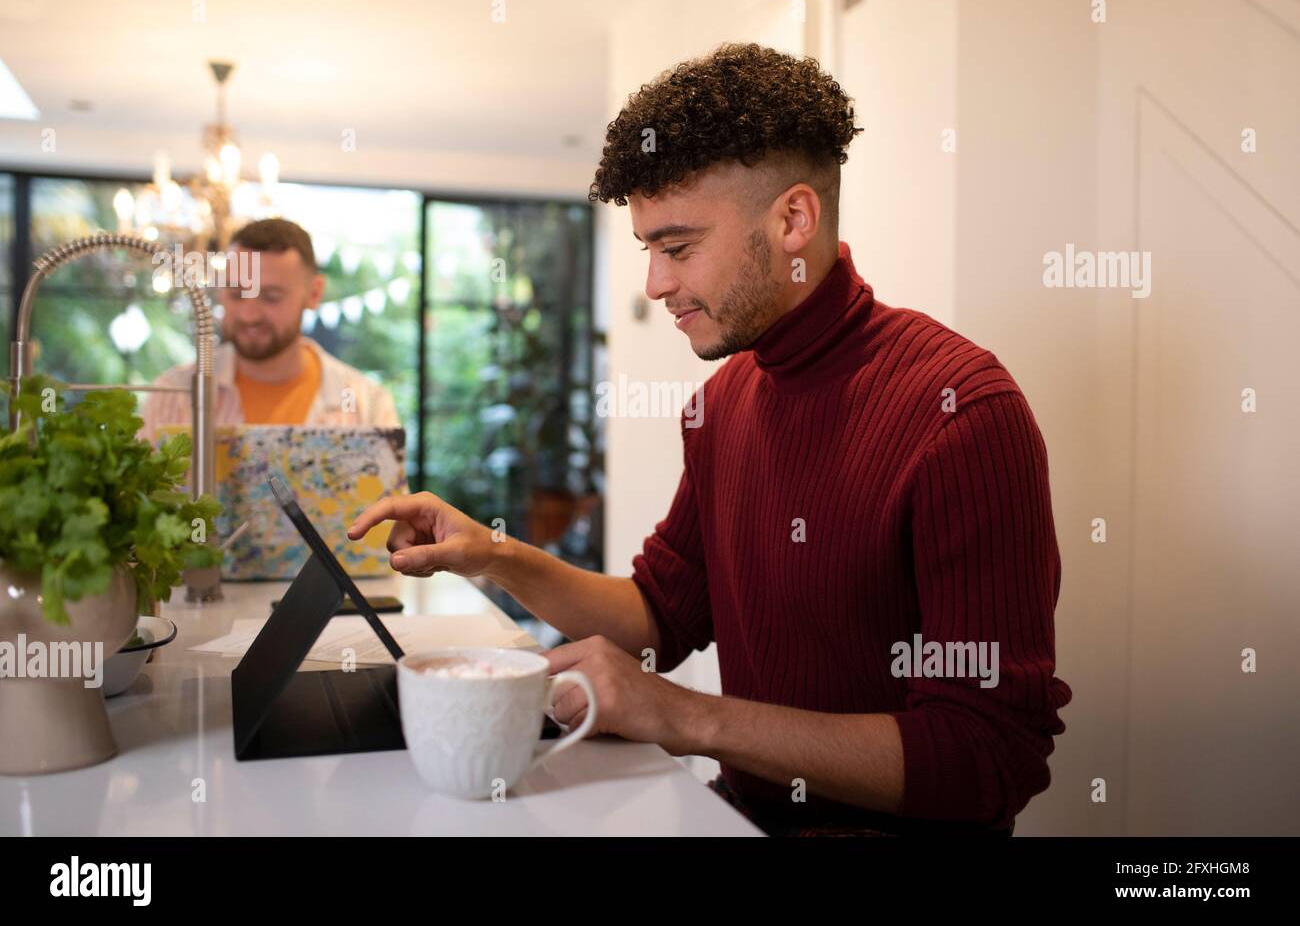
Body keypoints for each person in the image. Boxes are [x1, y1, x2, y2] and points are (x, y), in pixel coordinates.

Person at [349, 44, 1071, 836]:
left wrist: (687, 718)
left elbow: (987, 754)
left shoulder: (960, 413)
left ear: (793, 219)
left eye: (678, 248)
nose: (655, 285)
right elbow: (661, 615)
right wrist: (492, 553)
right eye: (648, 250)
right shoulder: (724, 403)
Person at [141, 218, 399, 438]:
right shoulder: (173, 395)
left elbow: (390, 498)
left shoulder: (367, 404)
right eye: (237, 293)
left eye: (271, 296)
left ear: (314, 293)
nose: (250, 314)